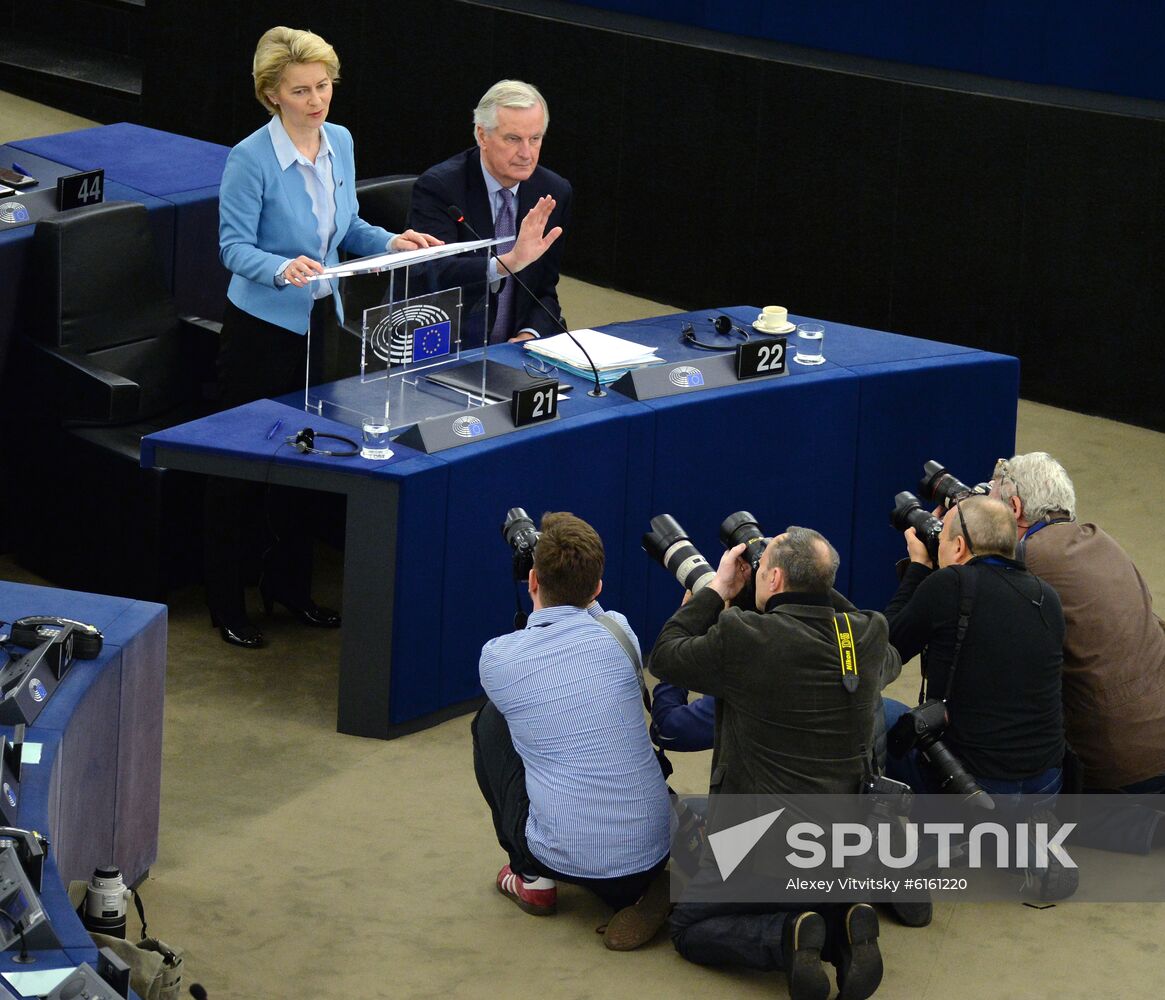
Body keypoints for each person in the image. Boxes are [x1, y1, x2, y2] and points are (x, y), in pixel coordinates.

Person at [205, 26, 441, 648]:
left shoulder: (340, 140)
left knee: (311, 454)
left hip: (320, 324)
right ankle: (226, 600)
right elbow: (233, 248)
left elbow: (347, 227)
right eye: (301, 90)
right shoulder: (249, 158)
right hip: (261, 329)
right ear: (272, 95)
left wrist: (392, 242)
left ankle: (289, 587)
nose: (317, 100)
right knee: (244, 466)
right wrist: (280, 268)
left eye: (324, 86)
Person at [651, 527, 901, 1000]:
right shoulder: (865, 635)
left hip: (759, 844)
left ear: (775, 576)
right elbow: (882, 654)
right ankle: (842, 922)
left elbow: (667, 653)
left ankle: (785, 936)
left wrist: (717, 591)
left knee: (687, 925)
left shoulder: (748, 637)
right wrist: (818, 584)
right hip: (845, 846)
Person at [989, 452, 1165, 850]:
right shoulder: (1100, 539)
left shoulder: (1026, 565)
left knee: (1056, 809)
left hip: (1130, 760)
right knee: (1152, 764)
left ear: (1016, 507)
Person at [472, 512, 672, 951]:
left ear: (531, 582)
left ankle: (532, 878)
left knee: (491, 720)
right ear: (597, 589)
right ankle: (630, 885)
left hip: (563, 854)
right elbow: (594, 616)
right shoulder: (621, 632)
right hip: (656, 846)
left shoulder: (497, 659)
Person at [883, 497, 1067, 801]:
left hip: (975, 787)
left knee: (879, 713)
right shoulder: (1047, 596)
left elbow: (885, 649)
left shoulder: (949, 584)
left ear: (958, 546)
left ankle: (939, 836)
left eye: (941, 540)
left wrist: (918, 568)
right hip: (1045, 783)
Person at [408, 79, 570, 343]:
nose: (526, 153)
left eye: (535, 139)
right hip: (448, 344)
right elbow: (434, 272)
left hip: (516, 350)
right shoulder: (440, 187)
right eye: (514, 139)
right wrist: (507, 264)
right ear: (483, 135)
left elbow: (544, 290)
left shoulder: (553, 192)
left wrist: (530, 334)